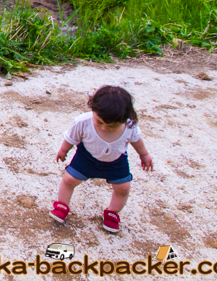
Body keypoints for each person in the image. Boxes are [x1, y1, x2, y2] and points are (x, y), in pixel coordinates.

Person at [50, 86, 153, 233]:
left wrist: (144, 155)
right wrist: (63, 150)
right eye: (100, 122)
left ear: (126, 118)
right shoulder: (83, 122)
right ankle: (61, 206)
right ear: (93, 110)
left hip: (117, 162)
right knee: (69, 180)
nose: (105, 128)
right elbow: (71, 138)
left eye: (112, 126)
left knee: (123, 188)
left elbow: (136, 140)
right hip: (87, 158)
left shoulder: (130, 126)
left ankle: (112, 213)